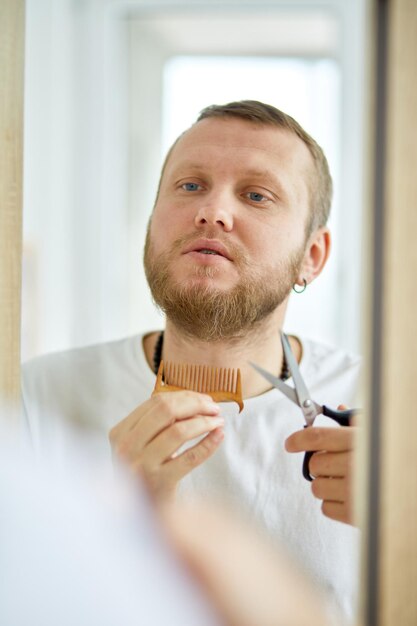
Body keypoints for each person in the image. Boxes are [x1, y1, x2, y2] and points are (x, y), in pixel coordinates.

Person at [22, 100, 360, 622]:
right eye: (190, 186)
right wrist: (110, 524)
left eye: (256, 195)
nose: (212, 212)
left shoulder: (391, 412)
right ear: (151, 223)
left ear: (311, 257)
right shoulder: (31, 401)